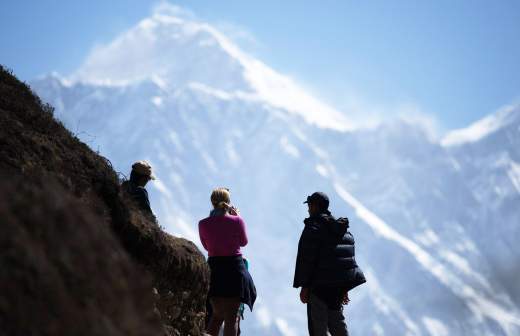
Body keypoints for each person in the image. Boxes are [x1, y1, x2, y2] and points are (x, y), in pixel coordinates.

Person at [293, 192, 366, 336]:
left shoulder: (313, 228)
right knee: (337, 325)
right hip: (336, 289)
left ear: (315, 206)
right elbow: (346, 261)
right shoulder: (342, 231)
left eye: (309, 205)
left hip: (318, 288)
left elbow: (307, 259)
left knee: (318, 330)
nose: (308, 209)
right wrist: (344, 287)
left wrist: (305, 286)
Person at [199, 188, 256, 336]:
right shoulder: (237, 221)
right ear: (228, 202)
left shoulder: (203, 224)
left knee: (216, 317)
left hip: (214, 270)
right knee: (231, 318)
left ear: (212, 202)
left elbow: (206, 246)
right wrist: (237, 216)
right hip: (234, 270)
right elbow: (244, 242)